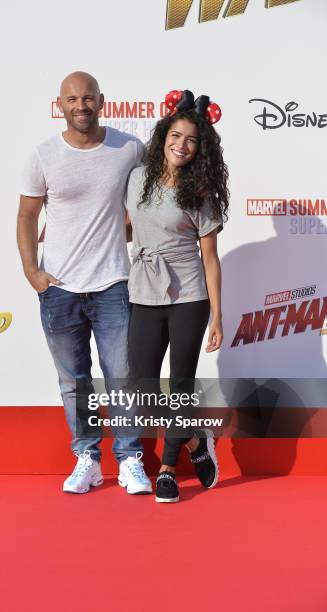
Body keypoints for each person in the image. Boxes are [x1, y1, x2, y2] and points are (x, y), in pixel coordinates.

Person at [17, 71, 152, 495]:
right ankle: (88, 459)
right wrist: (32, 273)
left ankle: (130, 460)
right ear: (60, 105)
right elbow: (25, 217)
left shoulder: (129, 147)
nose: (81, 106)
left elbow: (148, 204)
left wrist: (128, 232)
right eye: (72, 99)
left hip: (114, 282)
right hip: (58, 288)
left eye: (88, 98)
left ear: (101, 101)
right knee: (74, 379)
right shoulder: (43, 155)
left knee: (122, 377)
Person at [125, 89, 229, 502]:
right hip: (144, 290)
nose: (181, 145)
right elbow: (127, 227)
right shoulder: (136, 179)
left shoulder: (199, 192)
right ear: (164, 134)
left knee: (181, 384)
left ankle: (168, 468)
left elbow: (210, 258)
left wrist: (217, 316)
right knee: (141, 386)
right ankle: (193, 442)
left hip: (189, 296)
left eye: (191, 141)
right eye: (176, 136)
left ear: (199, 150)